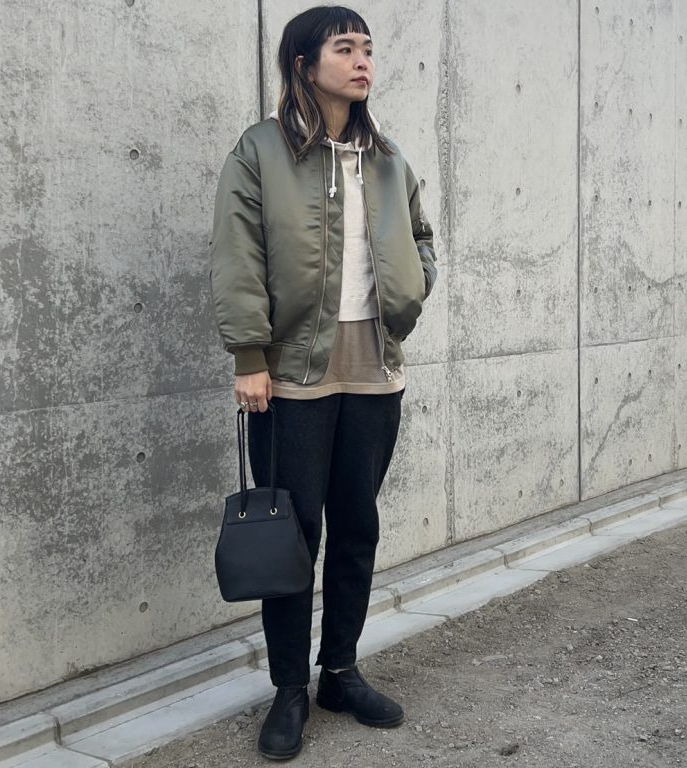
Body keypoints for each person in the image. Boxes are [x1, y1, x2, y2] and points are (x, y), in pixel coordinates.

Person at [208, 5, 437, 761]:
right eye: (345, 47)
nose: (362, 60)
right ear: (304, 64)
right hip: (292, 370)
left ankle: (339, 671)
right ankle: (288, 689)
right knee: (293, 535)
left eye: (368, 48)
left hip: (375, 365)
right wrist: (249, 356)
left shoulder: (389, 159)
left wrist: (414, 289)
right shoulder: (260, 151)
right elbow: (237, 254)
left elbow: (422, 238)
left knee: (357, 526)